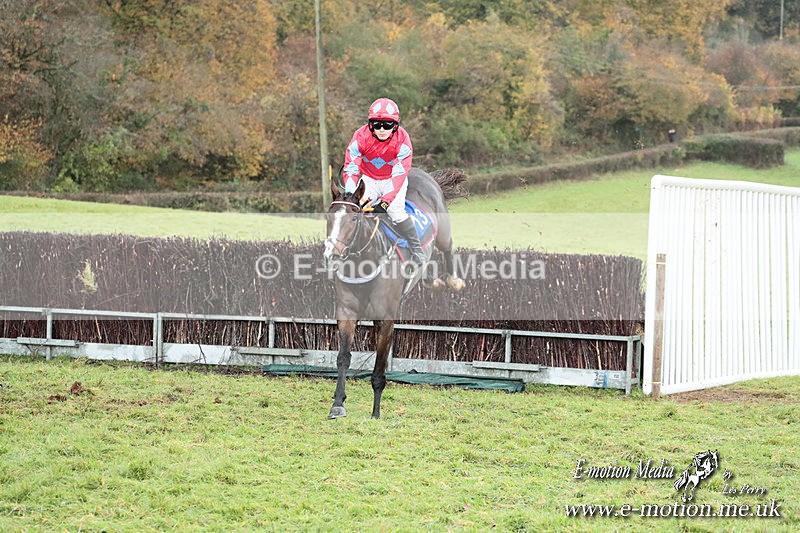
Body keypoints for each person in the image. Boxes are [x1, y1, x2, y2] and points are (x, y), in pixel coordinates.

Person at [342, 97, 425, 266]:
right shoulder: (360, 136)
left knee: (395, 212)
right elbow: (351, 167)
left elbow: (400, 173)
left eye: (387, 125)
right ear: (370, 124)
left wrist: (386, 202)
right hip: (369, 180)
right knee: (354, 212)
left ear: (396, 125)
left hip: (393, 179)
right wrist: (350, 195)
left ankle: (417, 250)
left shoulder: (403, 139)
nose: (381, 129)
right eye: (376, 124)